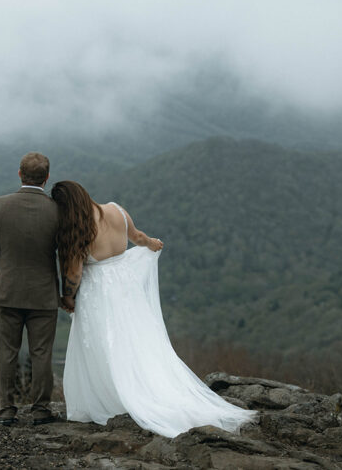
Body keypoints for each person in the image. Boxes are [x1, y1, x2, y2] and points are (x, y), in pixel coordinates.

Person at [51, 180, 257, 438]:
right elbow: (137, 237)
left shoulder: (79, 228)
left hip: (99, 292)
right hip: (127, 288)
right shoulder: (117, 210)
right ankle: (150, 389)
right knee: (138, 341)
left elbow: (74, 272)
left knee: (106, 346)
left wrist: (67, 298)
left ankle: (116, 398)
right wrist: (151, 244)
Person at [0, 152, 61, 426]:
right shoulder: (57, 210)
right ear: (47, 178)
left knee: (6, 353)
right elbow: (68, 254)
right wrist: (69, 291)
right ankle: (41, 410)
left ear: (19, 173)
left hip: (6, 292)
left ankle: (5, 411)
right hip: (44, 294)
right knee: (42, 354)